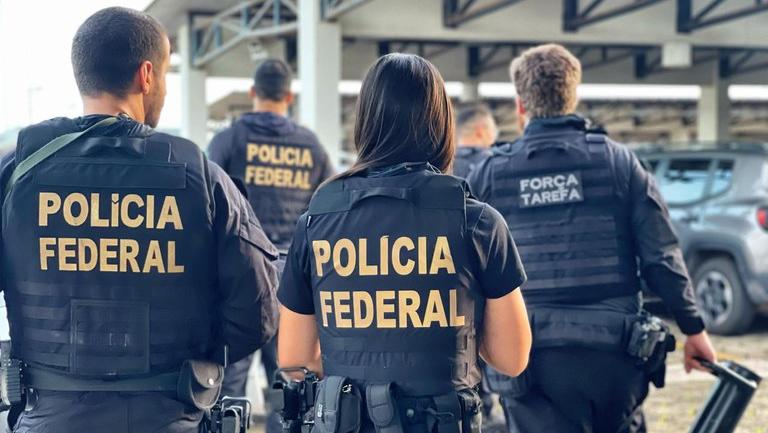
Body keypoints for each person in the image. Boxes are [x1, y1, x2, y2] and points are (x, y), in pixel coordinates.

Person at [0, 7, 279, 433]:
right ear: (146, 75)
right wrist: (189, 356)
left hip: (48, 417)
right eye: (164, 75)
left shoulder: (18, 172)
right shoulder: (200, 178)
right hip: (168, 415)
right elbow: (257, 313)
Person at [467, 44, 717, 433]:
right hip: (614, 358)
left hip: (531, 363)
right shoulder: (619, 163)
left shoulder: (489, 174)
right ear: (573, 95)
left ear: (520, 105)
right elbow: (661, 257)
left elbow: (466, 270)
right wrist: (694, 330)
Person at [276, 53, 532, 433]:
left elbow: (295, 358)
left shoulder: (316, 222)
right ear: (440, 122)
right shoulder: (477, 221)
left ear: (366, 120)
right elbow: (512, 358)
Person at [207, 58, 333, 428]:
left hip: (240, 279)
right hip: (291, 281)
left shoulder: (229, 140)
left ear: (253, 93)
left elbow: (208, 206)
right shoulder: (310, 146)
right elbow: (326, 211)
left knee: (229, 385)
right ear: (289, 97)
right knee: (289, 384)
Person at [453, 104, 498, 179]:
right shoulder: (491, 162)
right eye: (493, 129)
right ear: (480, 131)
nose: (494, 135)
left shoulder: (445, 163)